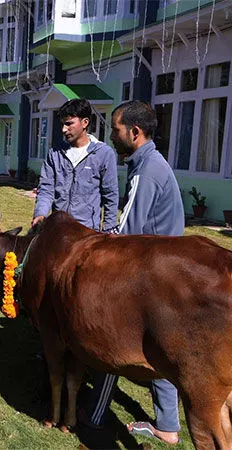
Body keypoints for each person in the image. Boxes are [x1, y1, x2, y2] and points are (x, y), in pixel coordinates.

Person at [80, 100, 184, 445]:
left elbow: (128, 229)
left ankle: (93, 415)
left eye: (115, 129)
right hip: (164, 271)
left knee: (112, 339)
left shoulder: (147, 170)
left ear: (134, 133)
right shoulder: (148, 162)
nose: (112, 135)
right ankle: (168, 426)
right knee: (160, 349)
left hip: (149, 275)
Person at [32, 98, 119, 232]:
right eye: (62, 124)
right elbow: (46, 189)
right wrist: (40, 214)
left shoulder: (104, 154)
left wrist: (108, 230)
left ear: (85, 123)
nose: (63, 129)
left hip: (86, 234)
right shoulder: (55, 153)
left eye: (69, 124)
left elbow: (110, 196)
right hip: (58, 230)